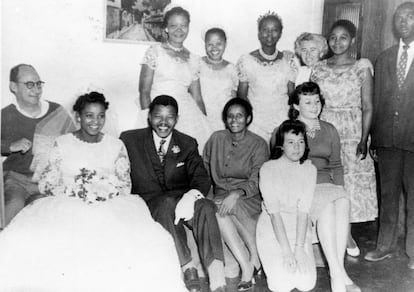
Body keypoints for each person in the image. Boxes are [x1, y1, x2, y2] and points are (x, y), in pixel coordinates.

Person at [0, 92, 186, 292]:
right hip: (66, 203)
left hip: (109, 204)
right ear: (78, 117)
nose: (95, 121)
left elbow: (124, 184)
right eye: (89, 115)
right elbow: (48, 181)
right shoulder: (62, 143)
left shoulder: (116, 145)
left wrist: (104, 192)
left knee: (146, 240)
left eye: (100, 116)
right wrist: (75, 191)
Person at [120, 95, 226, 292]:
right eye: (158, 116)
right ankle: (188, 267)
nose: (163, 122)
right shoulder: (129, 139)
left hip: (182, 201)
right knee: (167, 203)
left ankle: (217, 275)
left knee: (205, 205)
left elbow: (201, 178)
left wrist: (191, 195)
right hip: (151, 202)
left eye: (169, 117)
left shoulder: (187, 143)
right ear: (149, 117)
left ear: (177, 118)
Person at [276, 82, 360, 292]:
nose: (314, 106)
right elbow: (280, 165)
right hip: (302, 184)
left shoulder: (329, 130)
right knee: (327, 208)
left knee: (341, 201)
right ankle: (338, 275)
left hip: (326, 184)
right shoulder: (287, 130)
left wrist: (341, 190)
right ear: (296, 106)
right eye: (307, 102)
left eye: (317, 101)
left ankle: (337, 271)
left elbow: (336, 165)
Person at [311, 19, 377, 256]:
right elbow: (311, 102)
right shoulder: (318, 68)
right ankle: (337, 234)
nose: (337, 42)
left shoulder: (362, 66)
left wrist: (364, 138)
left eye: (343, 37)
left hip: (352, 131)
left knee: (348, 183)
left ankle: (345, 232)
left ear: (352, 40)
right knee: (328, 180)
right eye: (333, 37)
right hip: (326, 128)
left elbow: (368, 106)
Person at [365, 2, 414, 269]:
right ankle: (385, 245)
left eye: (409, 17)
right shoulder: (384, 57)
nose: (403, 22)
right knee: (388, 195)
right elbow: (377, 100)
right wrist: (375, 136)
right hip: (387, 141)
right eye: (399, 18)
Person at [203, 98, 269, 291]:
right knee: (215, 209)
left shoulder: (258, 144)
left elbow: (258, 180)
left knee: (221, 209)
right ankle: (248, 263)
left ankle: (249, 266)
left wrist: (237, 193)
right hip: (219, 196)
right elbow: (204, 170)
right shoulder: (216, 139)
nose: (234, 120)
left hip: (247, 197)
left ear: (248, 118)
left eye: (239, 116)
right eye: (230, 116)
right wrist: (203, 196)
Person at [1, 64, 76, 225]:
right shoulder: (6, 115)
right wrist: (10, 146)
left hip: (47, 182)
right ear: (13, 87)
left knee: (47, 217)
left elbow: (74, 142)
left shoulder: (56, 111)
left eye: (38, 84)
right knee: (12, 211)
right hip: (15, 181)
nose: (36, 89)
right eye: (29, 84)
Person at [138, 6, 212, 151]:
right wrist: (148, 122)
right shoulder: (155, 52)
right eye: (174, 26)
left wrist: (205, 122)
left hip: (187, 114)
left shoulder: (194, 59)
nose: (179, 30)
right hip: (159, 110)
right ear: (166, 28)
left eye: (183, 25)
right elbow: (144, 91)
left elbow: (197, 97)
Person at [257, 119, 317, 292]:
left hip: (299, 227)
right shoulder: (268, 169)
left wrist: (299, 249)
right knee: (282, 285)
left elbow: (304, 212)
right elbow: (274, 214)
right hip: (272, 228)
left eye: (301, 142)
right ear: (281, 145)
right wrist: (286, 251)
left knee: (306, 284)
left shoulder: (309, 169)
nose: (297, 147)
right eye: (290, 142)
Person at [237, 11, 296, 143]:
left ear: (280, 34)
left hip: (282, 120)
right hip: (256, 123)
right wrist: (251, 119)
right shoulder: (246, 60)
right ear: (259, 33)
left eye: (274, 30)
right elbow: (241, 95)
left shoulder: (288, 60)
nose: (269, 34)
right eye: (265, 30)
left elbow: (292, 94)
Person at [200, 27, 238, 131]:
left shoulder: (232, 69)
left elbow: (234, 98)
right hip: (201, 118)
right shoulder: (198, 64)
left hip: (223, 120)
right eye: (210, 44)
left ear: (225, 44)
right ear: (205, 45)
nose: (214, 48)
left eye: (219, 43)